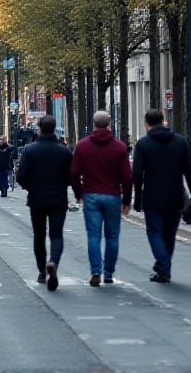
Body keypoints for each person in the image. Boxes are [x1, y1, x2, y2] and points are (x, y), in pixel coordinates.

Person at [71, 111, 132, 287]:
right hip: (112, 195)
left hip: (90, 194)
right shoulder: (119, 147)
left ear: (94, 125)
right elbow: (127, 178)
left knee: (94, 235)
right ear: (109, 124)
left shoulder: (82, 146)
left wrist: (79, 193)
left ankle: (95, 271)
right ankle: (109, 273)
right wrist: (126, 201)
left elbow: (74, 172)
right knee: (112, 236)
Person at [132, 109, 191, 283]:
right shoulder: (181, 142)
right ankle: (163, 267)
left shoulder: (143, 144)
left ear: (146, 123)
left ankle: (163, 266)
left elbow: (137, 174)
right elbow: (189, 170)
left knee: (154, 232)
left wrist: (136, 197)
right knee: (169, 234)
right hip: (175, 195)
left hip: (152, 196)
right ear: (164, 121)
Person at [16, 115, 73, 291]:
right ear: (54, 129)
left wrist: (29, 187)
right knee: (56, 234)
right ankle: (53, 261)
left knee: (39, 236)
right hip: (58, 198)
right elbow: (71, 175)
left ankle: (42, 271)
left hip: (37, 198)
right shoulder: (64, 151)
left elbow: (21, 176)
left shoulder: (29, 150)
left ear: (39, 129)